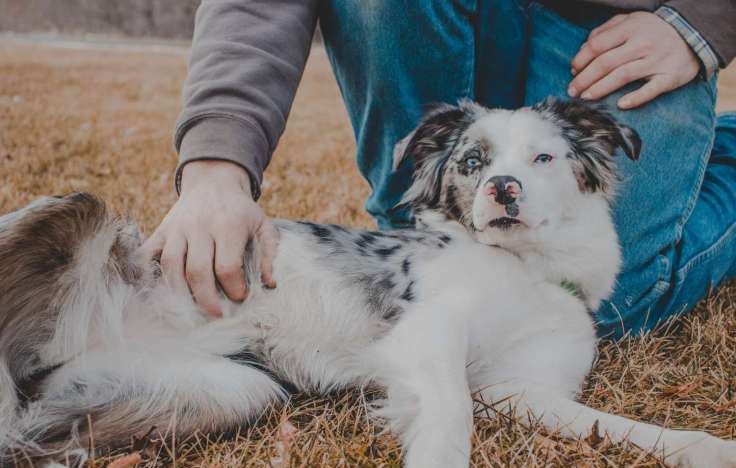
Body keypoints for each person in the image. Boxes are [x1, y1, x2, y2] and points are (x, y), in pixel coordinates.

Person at [142, 0, 736, 339]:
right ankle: (414, 224)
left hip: (624, 25)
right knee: (475, 299)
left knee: (600, 306)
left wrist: (702, 21)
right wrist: (217, 166)